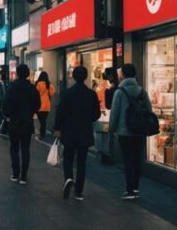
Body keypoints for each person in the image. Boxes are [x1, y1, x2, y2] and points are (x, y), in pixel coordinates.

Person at [54, 66, 101, 201]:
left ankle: (68, 178)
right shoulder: (91, 94)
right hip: (84, 131)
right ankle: (79, 192)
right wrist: (87, 120)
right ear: (85, 77)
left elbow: (60, 112)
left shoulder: (67, 93)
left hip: (69, 130)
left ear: (73, 77)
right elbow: (96, 114)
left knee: (68, 157)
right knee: (82, 162)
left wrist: (58, 128)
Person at [109, 63, 153, 200]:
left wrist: (112, 129)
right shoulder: (141, 91)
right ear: (134, 75)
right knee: (137, 160)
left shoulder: (119, 92)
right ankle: (135, 188)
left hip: (125, 132)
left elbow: (114, 113)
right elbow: (149, 110)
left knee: (128, 160)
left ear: (122, 75)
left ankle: (129, 190)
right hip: (139, 132)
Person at [2, 64, 41, 185]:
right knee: (25, 149)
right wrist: (30, 112)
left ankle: (15, 173)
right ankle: (24, 176)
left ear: (18, 73)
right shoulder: (32, 88)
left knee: (14, 148)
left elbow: (6, 104)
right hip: (27, 122)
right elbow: (37, 104)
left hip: (14, 122)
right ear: (28, 73)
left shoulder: (12, 87)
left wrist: (7, 115)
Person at [35, 71, 55, 140]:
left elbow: (35, 93)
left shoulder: (38, 84)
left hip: (39, 105)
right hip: (46, 105)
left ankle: (42, 134)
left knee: (41, 121)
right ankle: (42, 133)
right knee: (44, 121)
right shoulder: (49, 84)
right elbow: (52, 93)